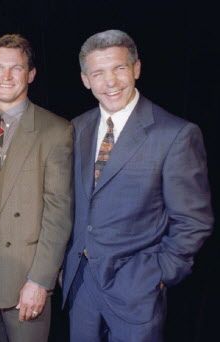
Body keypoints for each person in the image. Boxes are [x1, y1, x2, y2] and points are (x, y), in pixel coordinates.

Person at [61, 29, 213, 341]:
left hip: (136, 292)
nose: (110, 82)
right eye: (98, 73)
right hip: (81, 288)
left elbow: (193, 221)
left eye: (119, 68)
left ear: (136, 69)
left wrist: (158, 275)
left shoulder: (175, 134)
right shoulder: (76, 128)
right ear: (85, 79)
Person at [0, 34, 72, 342]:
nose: (5, 76)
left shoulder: (55, 130)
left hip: (22, 282)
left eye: (15, 68)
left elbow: (58, 215)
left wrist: (40, 281)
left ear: (30, 74)